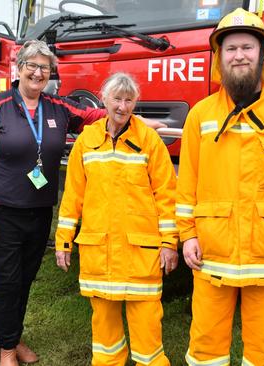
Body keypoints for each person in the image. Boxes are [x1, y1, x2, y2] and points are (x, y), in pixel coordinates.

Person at [0, 40, 164, 366]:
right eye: (31, 65)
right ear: (19, 68)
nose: (37, 72)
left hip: (40, 211)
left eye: (44, 67)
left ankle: (13, 338)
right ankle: (6, 350)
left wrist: (136, 122)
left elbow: (95, 113)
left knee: (26, 279)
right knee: (6, 281)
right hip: (2, 211)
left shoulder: (56, 107)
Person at [176, 8, 264, 366]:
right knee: (206, 345)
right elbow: (187, 181)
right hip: (211, 251)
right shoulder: (201, 115)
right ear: (219, 58)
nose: (239, 55)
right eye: (231, 48)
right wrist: (187, 235)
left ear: (263, 55)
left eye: (247, 47)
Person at [55, 73, 178, 366]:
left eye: (128, 100)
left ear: (135, 103)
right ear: (104, 100)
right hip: (100, 251)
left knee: (147, 330)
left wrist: (170, 243)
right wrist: (63, 242)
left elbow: (167, 195)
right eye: (116, 99)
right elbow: (73, 196)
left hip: (141, 253)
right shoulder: (87, 141)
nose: (122, 106)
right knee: (104, 330)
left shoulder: (149, 140)